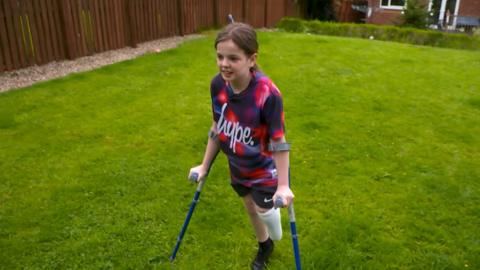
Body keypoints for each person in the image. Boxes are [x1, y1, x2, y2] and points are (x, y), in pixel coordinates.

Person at [189, 22, 294, 270]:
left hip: (263, 167)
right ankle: (265, 245)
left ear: (251, 59)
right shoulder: (218, 86)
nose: (224, 64)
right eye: (220, 56)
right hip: (237, 165)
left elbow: (279, 141)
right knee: (249, 206)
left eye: (233, 58)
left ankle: (272, 229)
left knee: (263, 209)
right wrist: (204, 165)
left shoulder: (268, 94)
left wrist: (283, 186)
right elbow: (217, 127)